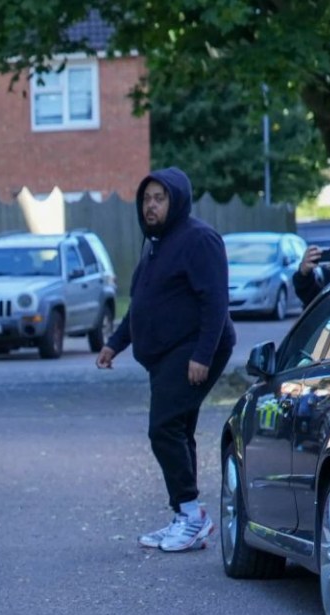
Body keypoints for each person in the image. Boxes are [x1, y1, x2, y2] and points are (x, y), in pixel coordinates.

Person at [96, 167, 235, 553]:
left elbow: (216, 302)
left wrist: (202, 355)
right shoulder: (155, 245)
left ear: (177, 201)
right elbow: (139, 305)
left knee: (163, 429)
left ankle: (192, 515)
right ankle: (185, 517)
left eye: (160, 198)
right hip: (165, 355)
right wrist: (114, 344)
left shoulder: (199, 240)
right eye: (147, 199)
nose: (151, 205)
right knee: (178, 429)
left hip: (192, 350)